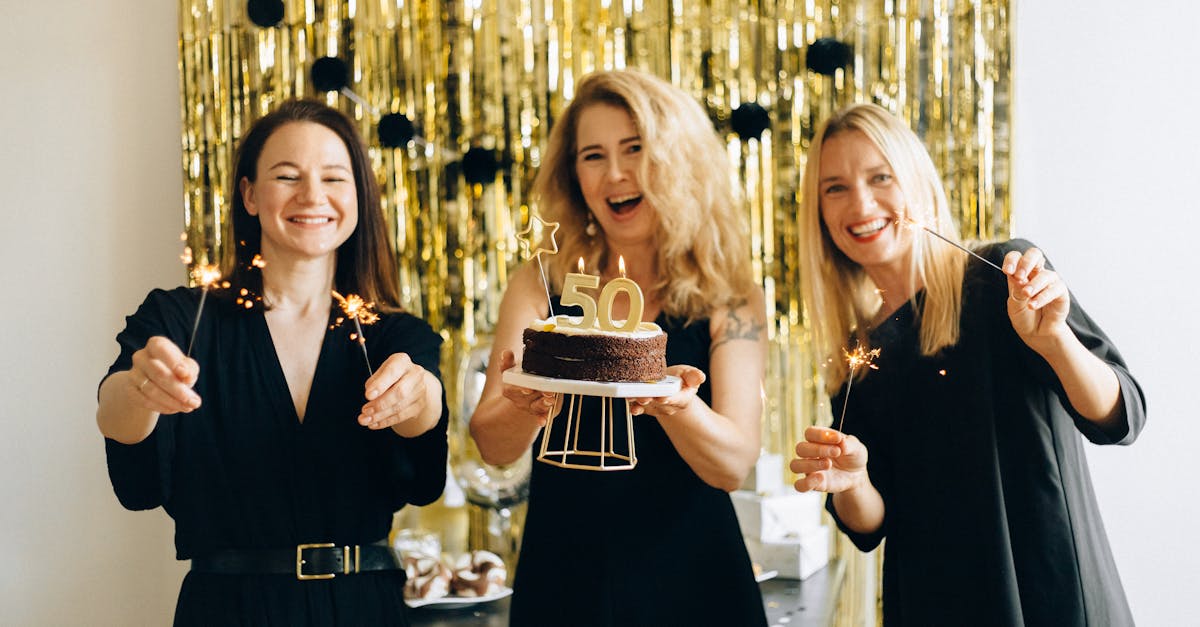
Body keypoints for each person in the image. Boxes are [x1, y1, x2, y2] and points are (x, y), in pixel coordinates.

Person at [789, 102, 1145, 626]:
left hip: (1050, 594)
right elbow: (869, 526)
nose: (860, 202)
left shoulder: (1006, 280)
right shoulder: (859, 358)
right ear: (819, 213)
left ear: (916, 182)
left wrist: (1054, 341)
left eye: (879, 176)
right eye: (835, 187)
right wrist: (853, 481)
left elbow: (1121, 416)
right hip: (933, 604)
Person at [97, 100, 448, 626]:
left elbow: (425, 466)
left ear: (358, 197)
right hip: (227, 609)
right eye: (287, 176)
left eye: (334, 177)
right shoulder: (178, 317)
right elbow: (117, 418)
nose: (312, 196)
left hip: (363, 608)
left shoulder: (396, 334)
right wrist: (139, 389)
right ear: (250, 194)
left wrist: (420, 399)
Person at [469, 69, 769, 625]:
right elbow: (491, 443)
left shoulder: (730, 296)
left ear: (677, 158)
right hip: (563, 577)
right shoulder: (540, 283)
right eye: (592, 155)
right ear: (572, 173)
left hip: (697, 581)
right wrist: (525, 400)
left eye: (635, 149)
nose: (615, 174)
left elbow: (733, 464)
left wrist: (674, 402)